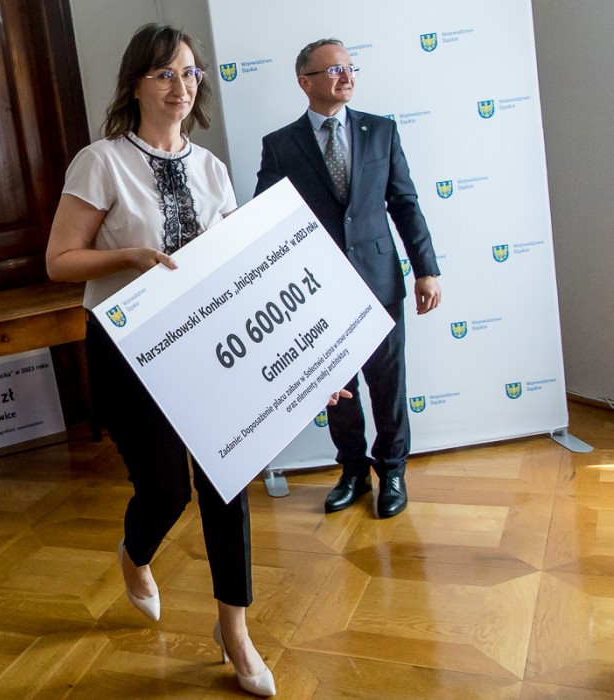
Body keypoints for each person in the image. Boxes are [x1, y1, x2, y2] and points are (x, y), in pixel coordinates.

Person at [48, 23, 352, 697]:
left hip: (209, 351)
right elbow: (59, 261)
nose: (180, 86)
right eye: (164, 74)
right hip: (128, 352)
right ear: (135, 84)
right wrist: (129, 257)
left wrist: (309, 364)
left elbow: (243, 276)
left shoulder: (212, 168)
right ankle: (135, 553)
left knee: (227, 481)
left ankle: (234, 630)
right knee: (165, 491)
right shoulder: (101, 162)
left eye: (189, 73)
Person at [254, 38, 442, 519]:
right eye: (334, 69)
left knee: (387, 382)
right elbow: (266, 219)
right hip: (317, 287)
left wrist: (426, 269)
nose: (346, 76)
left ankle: (393, 471)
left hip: (380, 279)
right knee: (336, 386)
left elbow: (405, 203)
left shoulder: (381, 130)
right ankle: (353, 471)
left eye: (350, 67)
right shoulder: (280, 144)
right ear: (305, 82)